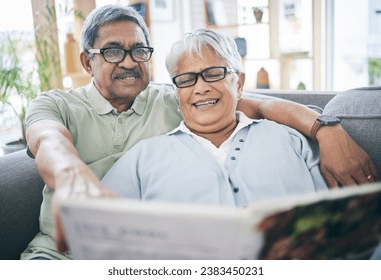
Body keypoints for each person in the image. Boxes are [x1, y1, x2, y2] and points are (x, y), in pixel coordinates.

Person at [20, 5, 377, 260]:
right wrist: (73, 177)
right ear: (87, 61)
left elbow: (256, 103)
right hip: (56, 252)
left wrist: (325, 129)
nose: (129, 61)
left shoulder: (171, 97)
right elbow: (49, 140)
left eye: (138, 50)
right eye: (113, 51)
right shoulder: (59, 106)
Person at [101, 28, 329, 207]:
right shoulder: (143, 157)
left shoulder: (291, 140)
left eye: (213, 74)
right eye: (187, 79)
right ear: (177, 94)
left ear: (238, 84)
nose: (200, 88)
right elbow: (98, 227)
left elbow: (344, 224)